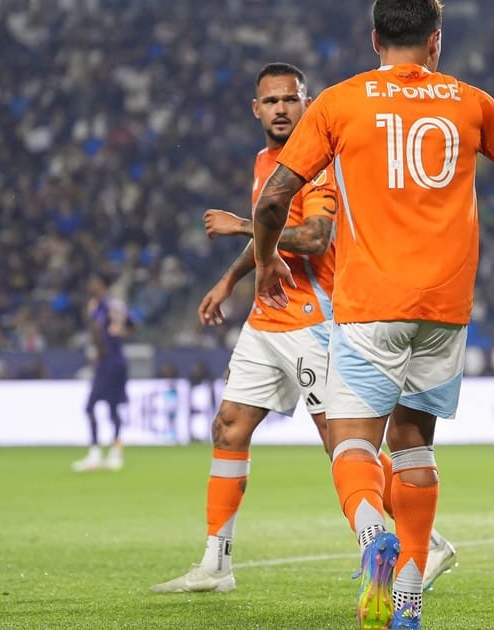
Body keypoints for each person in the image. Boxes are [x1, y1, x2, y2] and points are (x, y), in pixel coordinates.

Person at [248, 2, 494, 627]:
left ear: (374, 38)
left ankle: (371, 537)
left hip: (369, 304)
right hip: (444, 308)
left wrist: (265, 259)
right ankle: (408, 601)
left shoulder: (337, 103)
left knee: (352, 443)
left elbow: (275, 198)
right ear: (435, 41)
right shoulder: (469, 101)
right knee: (414, 447)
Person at [151, 62, 458, 596]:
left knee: (342, 444)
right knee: (228, 427)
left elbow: (315, 237)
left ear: (306, 103)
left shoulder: (321, 163)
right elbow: (270, 234)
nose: (281, 109)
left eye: (290, 99)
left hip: (315, 322)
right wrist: (229, 280)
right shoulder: (264, 161)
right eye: (271, 101)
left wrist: (238, 224)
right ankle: (216, 564)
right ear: (256, 109)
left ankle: (426, 542)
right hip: (267, 318)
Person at [71, 272, 133, 472]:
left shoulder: (100, 305)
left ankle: (95, 453)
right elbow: (132, 326)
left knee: (90, 407)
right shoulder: (118, 304)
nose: (91, 286)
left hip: (107, 361)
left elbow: (97, 330)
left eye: (95, 283)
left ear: (102, 285)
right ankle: (115, 454)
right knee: (113, 408)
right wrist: (118, 338)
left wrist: (101, 350)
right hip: (119, 359)